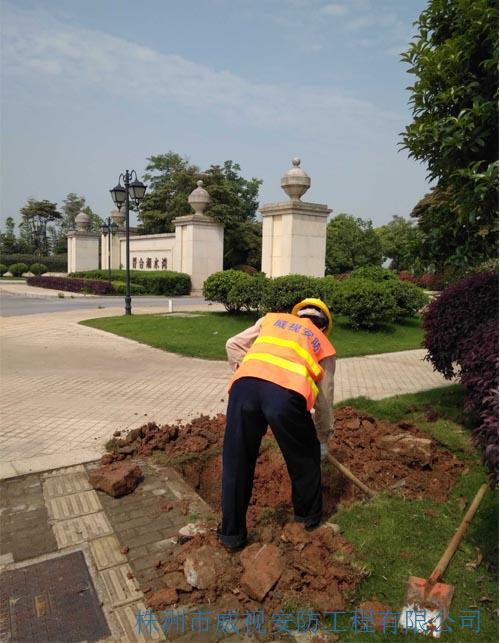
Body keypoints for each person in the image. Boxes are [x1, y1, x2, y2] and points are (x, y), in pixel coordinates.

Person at [217, 298, 336, 551]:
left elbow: (232, 344)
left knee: (236, 462)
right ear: (324, 325)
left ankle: (231, 535)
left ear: (298, 313)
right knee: (305, 459)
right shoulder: (323, 343)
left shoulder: (270, 320)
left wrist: (248, 369)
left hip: (243, 388)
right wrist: (323, 437)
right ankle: (307, 521)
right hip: (285, 396)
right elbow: (324, 399)